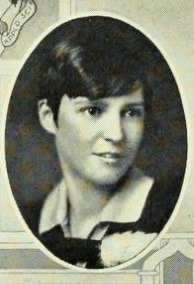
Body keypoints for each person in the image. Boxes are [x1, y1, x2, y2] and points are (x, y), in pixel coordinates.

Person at [8, 16, 185, 269]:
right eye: (93, 111)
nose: (116, 134)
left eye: (131, 112)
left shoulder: (170, 213)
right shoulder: (29, 219)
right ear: (49, 117)